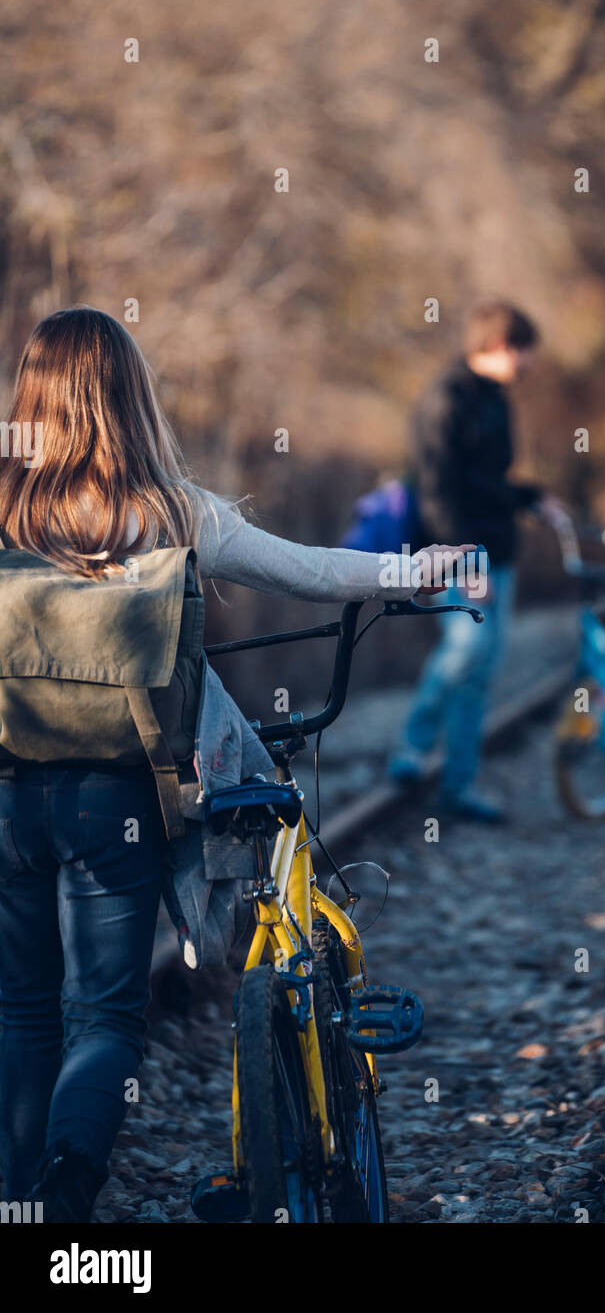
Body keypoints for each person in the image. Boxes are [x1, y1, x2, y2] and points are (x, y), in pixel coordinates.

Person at [0, 305, 471, 1221]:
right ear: (128, 399)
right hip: (118, 797)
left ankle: (18, 1203)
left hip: (9, 792)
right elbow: (309, 570)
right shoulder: (168, 510)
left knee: (20, 1009)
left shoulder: (4, 505)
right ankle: (67, 1187)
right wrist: (417, 572)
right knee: (103, 1015)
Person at [389, 301, 565, 822]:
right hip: (455, 553)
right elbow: (438, 493)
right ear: (498, 345)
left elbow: (487, 481)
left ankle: (458, 785)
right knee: (466, 650)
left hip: (499, 551)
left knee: (482, 670)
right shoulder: (444, 401)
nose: (529, 362)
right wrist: (467, 564)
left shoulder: (496, 399)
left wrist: (531, 498)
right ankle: (414, 745)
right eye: (524, 351)